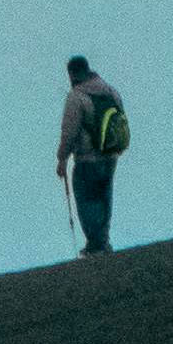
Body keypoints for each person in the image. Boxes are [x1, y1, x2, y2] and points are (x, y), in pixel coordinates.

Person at [56, 51, 129, 252]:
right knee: (105, 197)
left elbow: (69, 131)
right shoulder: (111, 91)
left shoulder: (76, 97)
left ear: (71, 74)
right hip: (111, 154)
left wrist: (62, 158)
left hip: (87, 158)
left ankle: (95, 245)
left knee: (86, 199)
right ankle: (103, 242)